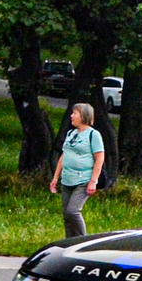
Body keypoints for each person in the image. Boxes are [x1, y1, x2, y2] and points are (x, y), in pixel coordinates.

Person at [51, 101, 105, 238]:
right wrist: (55, 178)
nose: (71, 116)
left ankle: (82, 241)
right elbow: (64, 155)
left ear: (84, 116)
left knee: (73, 212)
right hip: (67, 179)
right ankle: (70, 244)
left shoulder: (94, 135)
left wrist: (93, 181)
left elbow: (99, 158)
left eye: (75, 113)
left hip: (83, 180)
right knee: (66, 216)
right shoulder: (71, 133)